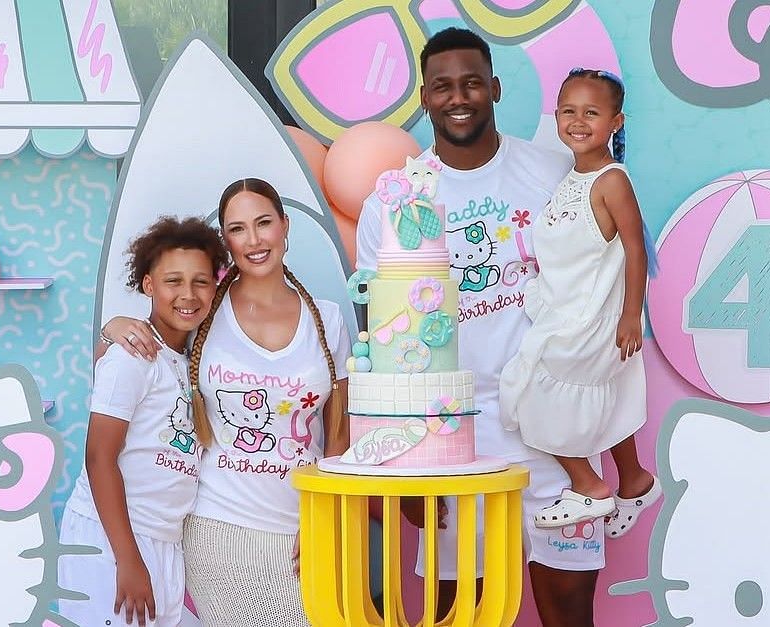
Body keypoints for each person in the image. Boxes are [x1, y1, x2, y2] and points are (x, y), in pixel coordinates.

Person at [355, 28, 601, 626]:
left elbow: (596, 285)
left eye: (471, 82)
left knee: (568, 602)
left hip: (551, 421)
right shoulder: (394, 201)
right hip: (450, 430)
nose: (457, 96)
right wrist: (409, 465)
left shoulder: (552, 174)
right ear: (424, 97)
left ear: (493, 87)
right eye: (442, 86)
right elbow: (382, 341)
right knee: (456, 608)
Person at [101, 178, 351, 626]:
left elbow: (339, 432)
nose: (253, 240)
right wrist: (112, 326)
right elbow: (142, 350)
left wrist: (326, 517)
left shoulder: (328, 320)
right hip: (220, 529)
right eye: (237, 229)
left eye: (263, 223)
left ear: (285, 226)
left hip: (304, 531)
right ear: (226, 241)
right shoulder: (203, 310)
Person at [499, 68, 661, 534]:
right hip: (566, 305)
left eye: (592, 112)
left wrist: (631, 316)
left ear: (616, 121)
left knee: (533, 392)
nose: (577, 120)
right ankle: (634, 481)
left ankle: (588, 486)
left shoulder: (611, 181)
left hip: (595, 317)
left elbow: (635, 247)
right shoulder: (573, 176)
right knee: (610, 399)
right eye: (568, 110)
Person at [59, 217, 225, 627]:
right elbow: (99, 458)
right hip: (113, 538)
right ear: (149, 285)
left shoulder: (191, 362)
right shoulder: (131, 356)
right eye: (173, 281)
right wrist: (128, 560)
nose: (188, 295)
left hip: (165, 540)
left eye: (201, 282)